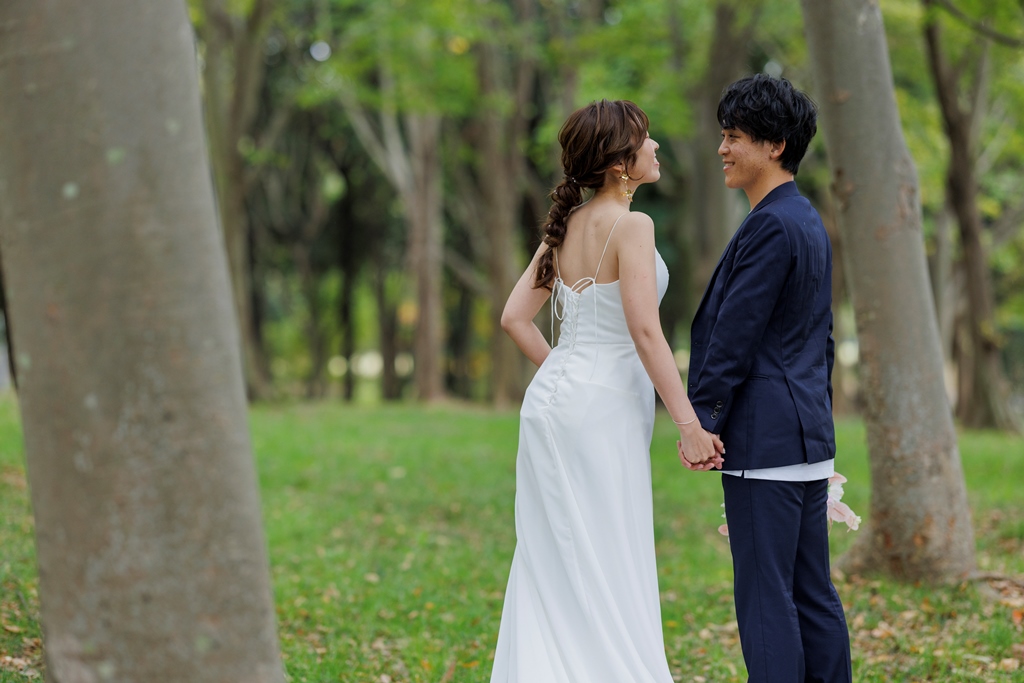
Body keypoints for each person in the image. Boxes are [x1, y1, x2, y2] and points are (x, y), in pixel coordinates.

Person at [491, 99, 724, 683]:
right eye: (646, 139)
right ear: (620, 162)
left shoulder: (565, 225)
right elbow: (646, 331)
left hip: (553, 404)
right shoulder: (632, 225)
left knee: (553, 555)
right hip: (601, 411)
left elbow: (515, 319)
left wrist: (567, 371)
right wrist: (689, 425)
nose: (656, 147)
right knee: (607, 546)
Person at [683, 74, 853, 682]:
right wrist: (818, 428)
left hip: (765, 440)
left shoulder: (771, 224)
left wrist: (700, 421)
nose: (723, 148)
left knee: (766, 598)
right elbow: (819, 341)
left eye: (734, 136)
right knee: (812, 592)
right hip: (804, 439)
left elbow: (734, 336)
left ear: (775, 144)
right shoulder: (806, 220)